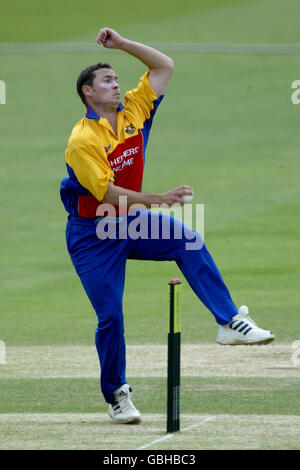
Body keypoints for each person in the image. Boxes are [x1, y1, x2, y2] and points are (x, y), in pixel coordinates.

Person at [60, 27, 275, 424]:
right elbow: (106, 195)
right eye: (106, 79)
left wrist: (123, 45)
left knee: (188, 241)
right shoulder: (83, 139)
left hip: (130, 219)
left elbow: (164, 65)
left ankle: (228, 321)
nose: (115, 82)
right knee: (111, 317)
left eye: (116, 77)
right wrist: (160, 199)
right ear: (88, 92)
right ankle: (117, 395)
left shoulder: (133, 110)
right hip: (94, 234)